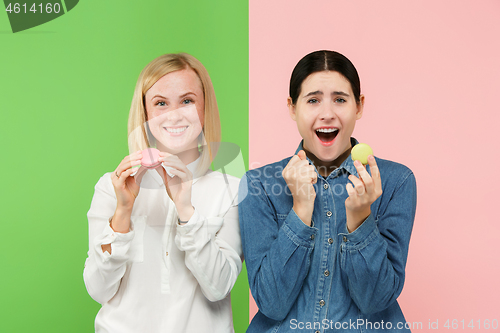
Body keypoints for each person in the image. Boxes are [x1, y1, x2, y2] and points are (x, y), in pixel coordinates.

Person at [238, 50, 417, 332]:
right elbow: (271, 303)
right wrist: (300, 210)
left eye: (340, 100)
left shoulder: (395, 181)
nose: (327, 114)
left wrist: (360, 219)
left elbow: (375, 300)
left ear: (359, 106)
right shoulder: (259, 185)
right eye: (313, 100)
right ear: (292, 107)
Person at [84, 53, 242, 333]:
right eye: (160, 103)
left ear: (205, 109)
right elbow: (98, 289)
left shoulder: (231, 190)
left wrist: (186, 211)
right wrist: (122, 213)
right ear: (145, 112)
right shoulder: (112, 187)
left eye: (187, 101)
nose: (174, 114)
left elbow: (218, 287)